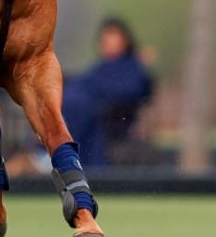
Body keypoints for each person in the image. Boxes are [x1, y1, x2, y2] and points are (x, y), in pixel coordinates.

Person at [61, 17, 155, 167]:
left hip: (112, 120)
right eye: (106, 40)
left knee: (76, 106)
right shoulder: (101, 67)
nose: (109, 44)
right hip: (86, 108)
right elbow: (84, 82)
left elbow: (132, 90)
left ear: (125, 41)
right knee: (69, 101)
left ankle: (63, 157)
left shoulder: (132, 66)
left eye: (114, 38)